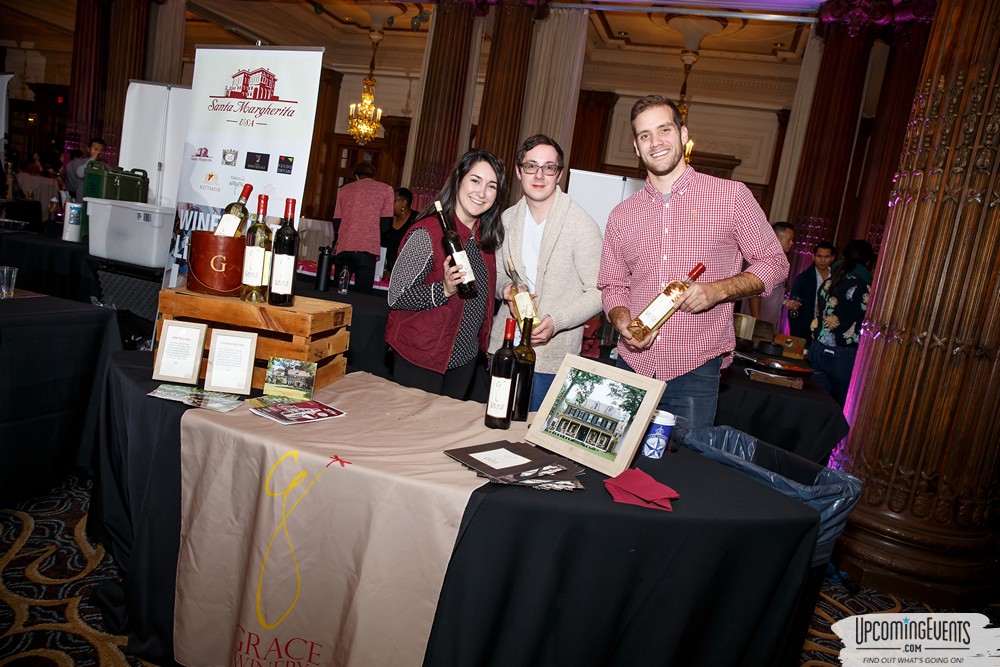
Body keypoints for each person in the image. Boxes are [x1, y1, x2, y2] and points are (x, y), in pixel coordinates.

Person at [598, 94, 789, 429]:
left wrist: (717, 291)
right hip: (632, 365)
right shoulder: (622, 215)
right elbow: (613, 284)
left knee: (686, 461)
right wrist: (622, 320)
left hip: (695, 371)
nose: (656, 142)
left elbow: (775, 262)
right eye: (645, 135)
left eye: (664, 130)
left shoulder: (731, 197)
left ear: (683, 134)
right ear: (636, 147)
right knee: (620, 456)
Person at [489, 134, 603, 411]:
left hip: (552, 356)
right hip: (505, 347)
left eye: (548, 167)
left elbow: (599, 292)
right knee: (494, 422)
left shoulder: (581, 224)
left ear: (559, 174)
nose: (539, 175)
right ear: (519, 172)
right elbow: (496, 275)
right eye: (531, 166)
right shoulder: (507, 219)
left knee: (532, 433)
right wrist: (506, 289)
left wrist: (557, 321)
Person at [384, 149, 506, 399]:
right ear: (459, 180)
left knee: (446, 425)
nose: (482, 192)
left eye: (491, 186)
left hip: (464, 359)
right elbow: (396, 295)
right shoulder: (427, 232)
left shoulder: (485, 240)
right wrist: (444, 289)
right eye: (475, 180)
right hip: (421, 357)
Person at [807, 239, 875, 407]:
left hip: (817, 349)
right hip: (842, 355)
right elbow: (865, 323)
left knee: (815, 403)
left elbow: (818, 313)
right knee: (843, 407)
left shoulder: (830, 281)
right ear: (868, 262)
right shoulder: (863, 287)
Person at [332, 160, 393, 294]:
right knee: (362, 296)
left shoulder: (343, 190)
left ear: (356, 176)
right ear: (373, 175)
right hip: (367, 249)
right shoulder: (386, 190)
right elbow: (385, 225)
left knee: (339, 293)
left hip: (345, 247)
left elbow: (337, 222)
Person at [741, 221, 795, 328]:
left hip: (769, 322)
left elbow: (772, 293)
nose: (792, 243)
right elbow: (755, 294)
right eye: (789, 239)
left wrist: (784, 302)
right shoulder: (764, 259)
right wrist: (758, 323)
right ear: (777, 239)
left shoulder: (779, 260)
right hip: (756, 325)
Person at [786, 241, 836, 341]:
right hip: (805, 331)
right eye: (819, 256)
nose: (822, 260)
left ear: (832, 258)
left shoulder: (837, 278)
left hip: (830, 332)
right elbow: (793, 308)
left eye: (826, 257)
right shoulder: (803, 278)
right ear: (813, 256)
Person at [381, 187, 417, 280]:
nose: (389, 205)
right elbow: (383, 247)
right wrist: (386, 269)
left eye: (393, 201)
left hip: (408, 274)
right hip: (388, 272)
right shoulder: (387, 221)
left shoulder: (417, 220)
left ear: (404, 202)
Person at [62, 138, 105, 202]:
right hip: (82, 201)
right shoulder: (80, 163)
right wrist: (93, 158)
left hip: (98, 202)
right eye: (95, 149)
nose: (99, 152)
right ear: (89, 149)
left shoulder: (106, 167)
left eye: (101, 150)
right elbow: (80, 174)